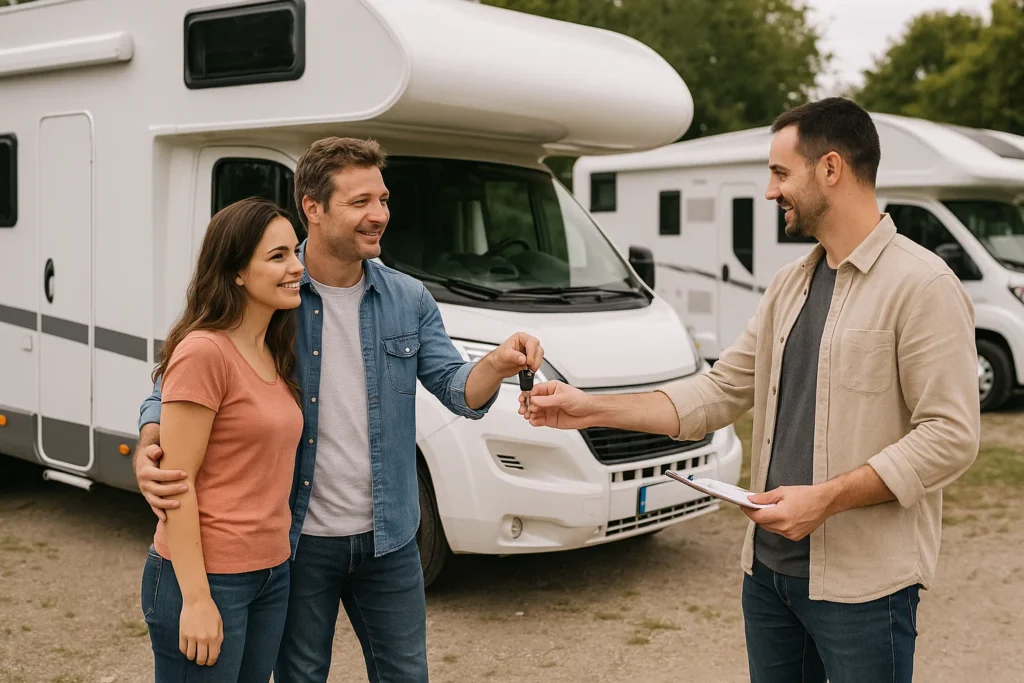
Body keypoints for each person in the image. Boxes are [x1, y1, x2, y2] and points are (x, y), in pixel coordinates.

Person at [519, 97, 980, 683]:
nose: (770, 191)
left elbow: (951, 436)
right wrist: (589, 408)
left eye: (781, 173)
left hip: (863, 591)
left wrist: (825, 499)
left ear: (831, 169)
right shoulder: (790, 284)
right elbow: (718, 391)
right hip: (767, 578)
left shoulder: (923, 285)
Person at [133, 136, 544, 683]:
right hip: (299, 541)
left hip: (389, 536)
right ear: (313, 208)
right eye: (360, 202)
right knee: (300, 676)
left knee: (406, 674)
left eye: (384, 199)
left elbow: (456, 389)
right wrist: (150, 443)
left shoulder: (408, 299)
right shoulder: (274, 287)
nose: (379, 215)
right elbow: (185, 374)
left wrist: (495, 362)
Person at [140, 197, 305, 681]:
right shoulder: (204, 352)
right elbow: (176, 483)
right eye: (277, 257)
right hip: (208, 577)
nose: (296, 267)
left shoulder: (272, 346)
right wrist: (195, 598)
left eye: (294, 252)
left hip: (271, 572)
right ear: (235, 271)